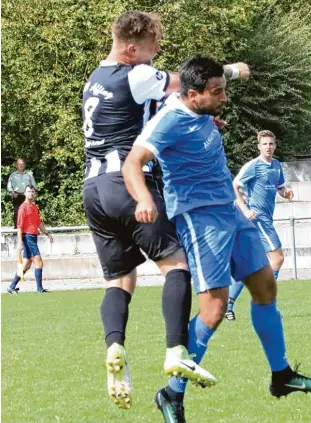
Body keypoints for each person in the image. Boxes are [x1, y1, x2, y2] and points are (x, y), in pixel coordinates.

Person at [122, 56, 311, 423]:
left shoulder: (196, 108)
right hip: (200, 218)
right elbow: (132, 162)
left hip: (230, 212)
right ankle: (172, 394)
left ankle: (281, 376)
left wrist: (222, 91)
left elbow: (201, 101)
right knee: (214, 310)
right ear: (192, 94)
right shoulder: (168, 121)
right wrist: (142, 198)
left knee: (266, 285)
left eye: (223, 89)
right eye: (216, 92)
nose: (223, 97)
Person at [81, 10, 248, 410]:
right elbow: (183, 83)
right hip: (128, 183)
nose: (157, 55)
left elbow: (155, 110)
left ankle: (115, 345)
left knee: (120, 282)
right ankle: (176, 351)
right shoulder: (135, 73)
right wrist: (233, 71)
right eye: (154, 47)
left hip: (93, 189)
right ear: (133, 47)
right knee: (176, 267)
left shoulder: (95, 78)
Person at [225, 130, 294, 321]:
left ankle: (227, 304)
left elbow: (280, 187)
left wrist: (286, 192)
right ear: (259, 146)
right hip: (258, 219)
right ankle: (266, 306)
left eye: (271, 144)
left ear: (275, 145)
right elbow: (234, 186)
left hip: (266, 219)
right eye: (265, 144)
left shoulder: (277, 166)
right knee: (277, 258)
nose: (268, 147)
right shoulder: (253, 166)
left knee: (249, 264)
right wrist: (246, 210)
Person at [7, 185, 53, 294]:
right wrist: (20, 243)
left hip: (33, 236)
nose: (31, 193)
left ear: (35, 194)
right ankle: (39, 289)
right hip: (27, 237)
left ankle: (11, 287)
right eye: (28, 191)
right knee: (39, 262)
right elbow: (19, 227)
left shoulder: (34, 207)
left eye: (32, 192)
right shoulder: (23, 208)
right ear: (25, 193)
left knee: (26, 265)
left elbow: (38, 223)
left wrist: (47, 233)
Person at [7, 158, 37, 229]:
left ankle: (28, 227)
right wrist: (12, 192)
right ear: (16, 165)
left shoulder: (29, 174)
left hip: (27, 196)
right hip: (16, 195)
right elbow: (9, 186)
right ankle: (17, 229)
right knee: (17, 212)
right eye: (19, 164)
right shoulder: (12, 175)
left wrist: (33, 195)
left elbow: (34, 186)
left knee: (28, 212)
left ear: (24, 165)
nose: (21, 165)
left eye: (22, 164)